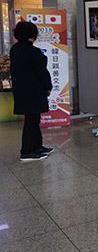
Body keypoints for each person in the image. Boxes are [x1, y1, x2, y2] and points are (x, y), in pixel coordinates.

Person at [9, 22, 54, 162]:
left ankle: (37, 147)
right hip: (34, 90)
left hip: (22, 90)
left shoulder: (15, 50)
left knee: (33, 119)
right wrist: (48, 86)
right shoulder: (33, 52)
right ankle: (27, 151)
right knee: (32, 121)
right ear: (32, 34)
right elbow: (42, 72)